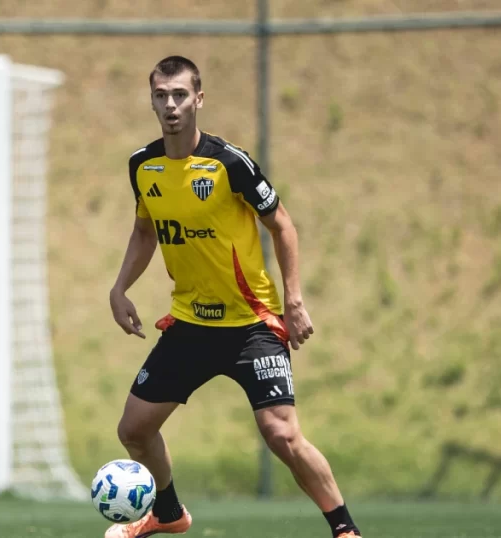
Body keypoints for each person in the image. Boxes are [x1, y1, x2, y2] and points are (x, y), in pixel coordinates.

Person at [105, 55, 362, 538]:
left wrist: (294, 300)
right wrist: (120, 288)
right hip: (190, 325)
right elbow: (145, 231)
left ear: (198, 99)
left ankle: (345, 529)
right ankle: (168, 513)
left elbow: (283, 225)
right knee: (134, 430)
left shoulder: (229, 163)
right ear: (152, 102)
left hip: (250, 325)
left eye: (180, 95)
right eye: (161, 96)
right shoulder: (143, 165)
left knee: (281, 433)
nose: (171, 105)